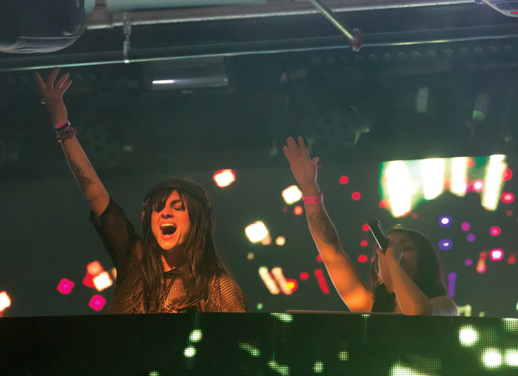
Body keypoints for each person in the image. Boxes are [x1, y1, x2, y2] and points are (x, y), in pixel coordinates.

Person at [35, 68, 247, 313]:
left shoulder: (217, 285)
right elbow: (95, 195)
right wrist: (62, 125)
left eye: (177, 208)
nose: (165, 213)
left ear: (197, 221)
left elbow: (243, 343)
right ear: (147, 218)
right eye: (158, 208)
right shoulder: (135, 260)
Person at [283, 136, 457, 316]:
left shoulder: (444, 305)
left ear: (425, 262)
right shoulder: (367, 304)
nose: (392, 250)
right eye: (384, 247)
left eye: (404, 247)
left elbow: (419, 314)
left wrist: (393, 262)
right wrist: (310, 187)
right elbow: (331, 251)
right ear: (378, 273)